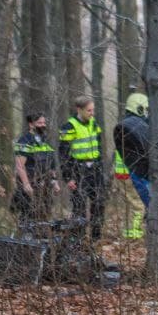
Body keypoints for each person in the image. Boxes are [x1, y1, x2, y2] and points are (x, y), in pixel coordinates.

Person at [59, 95, 108, 240]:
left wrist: (100, 164)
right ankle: (78, 239)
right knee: (79, 205)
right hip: (78, 170)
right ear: (79, 110)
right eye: (89, 110)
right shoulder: (69, 126)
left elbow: (98, 146)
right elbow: (63, 154)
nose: (92, 113)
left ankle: (96, 238)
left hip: (95, 169)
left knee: (99, 203)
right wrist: (68, 177)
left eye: (93, 110)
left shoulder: (94, 123)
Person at [113, 93, 151, 240]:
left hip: (127, 173)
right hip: (128, 173)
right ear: (139, 108)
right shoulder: (131, 127)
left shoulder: (129, 126)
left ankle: (133, 233)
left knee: (134, 205)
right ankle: (133, 235)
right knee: (138, 205)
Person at [11, 112, 59, 221]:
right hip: (30, 183)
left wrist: (54, 181)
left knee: (45, 215)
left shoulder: (45, 140)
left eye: (44, 123)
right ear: (31, 124)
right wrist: (26, 184)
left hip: (45, 185)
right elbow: (20, 166)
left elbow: (51, 164)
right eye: (39, 123)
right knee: (28, 215)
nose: (43, 125)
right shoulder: (24, 141)